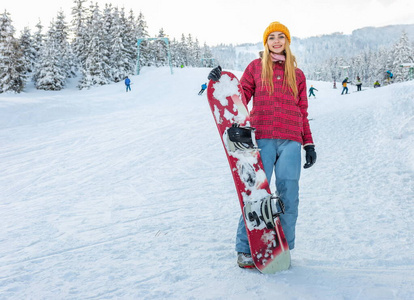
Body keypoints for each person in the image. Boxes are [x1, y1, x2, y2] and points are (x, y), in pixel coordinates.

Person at [208, 21, 316, 269]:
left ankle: (283, 246)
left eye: (281, 37)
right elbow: (239, 96)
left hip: (291, 141)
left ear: (287, 41)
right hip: (262, 138)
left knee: (289, 195)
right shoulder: (256, 67)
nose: (276, 41)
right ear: (265, 42)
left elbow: (302, 111)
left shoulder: (297, 74)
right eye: (271, 38)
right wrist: (220, 83)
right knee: (256, 193)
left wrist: (308, 144)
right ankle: (245, 249)